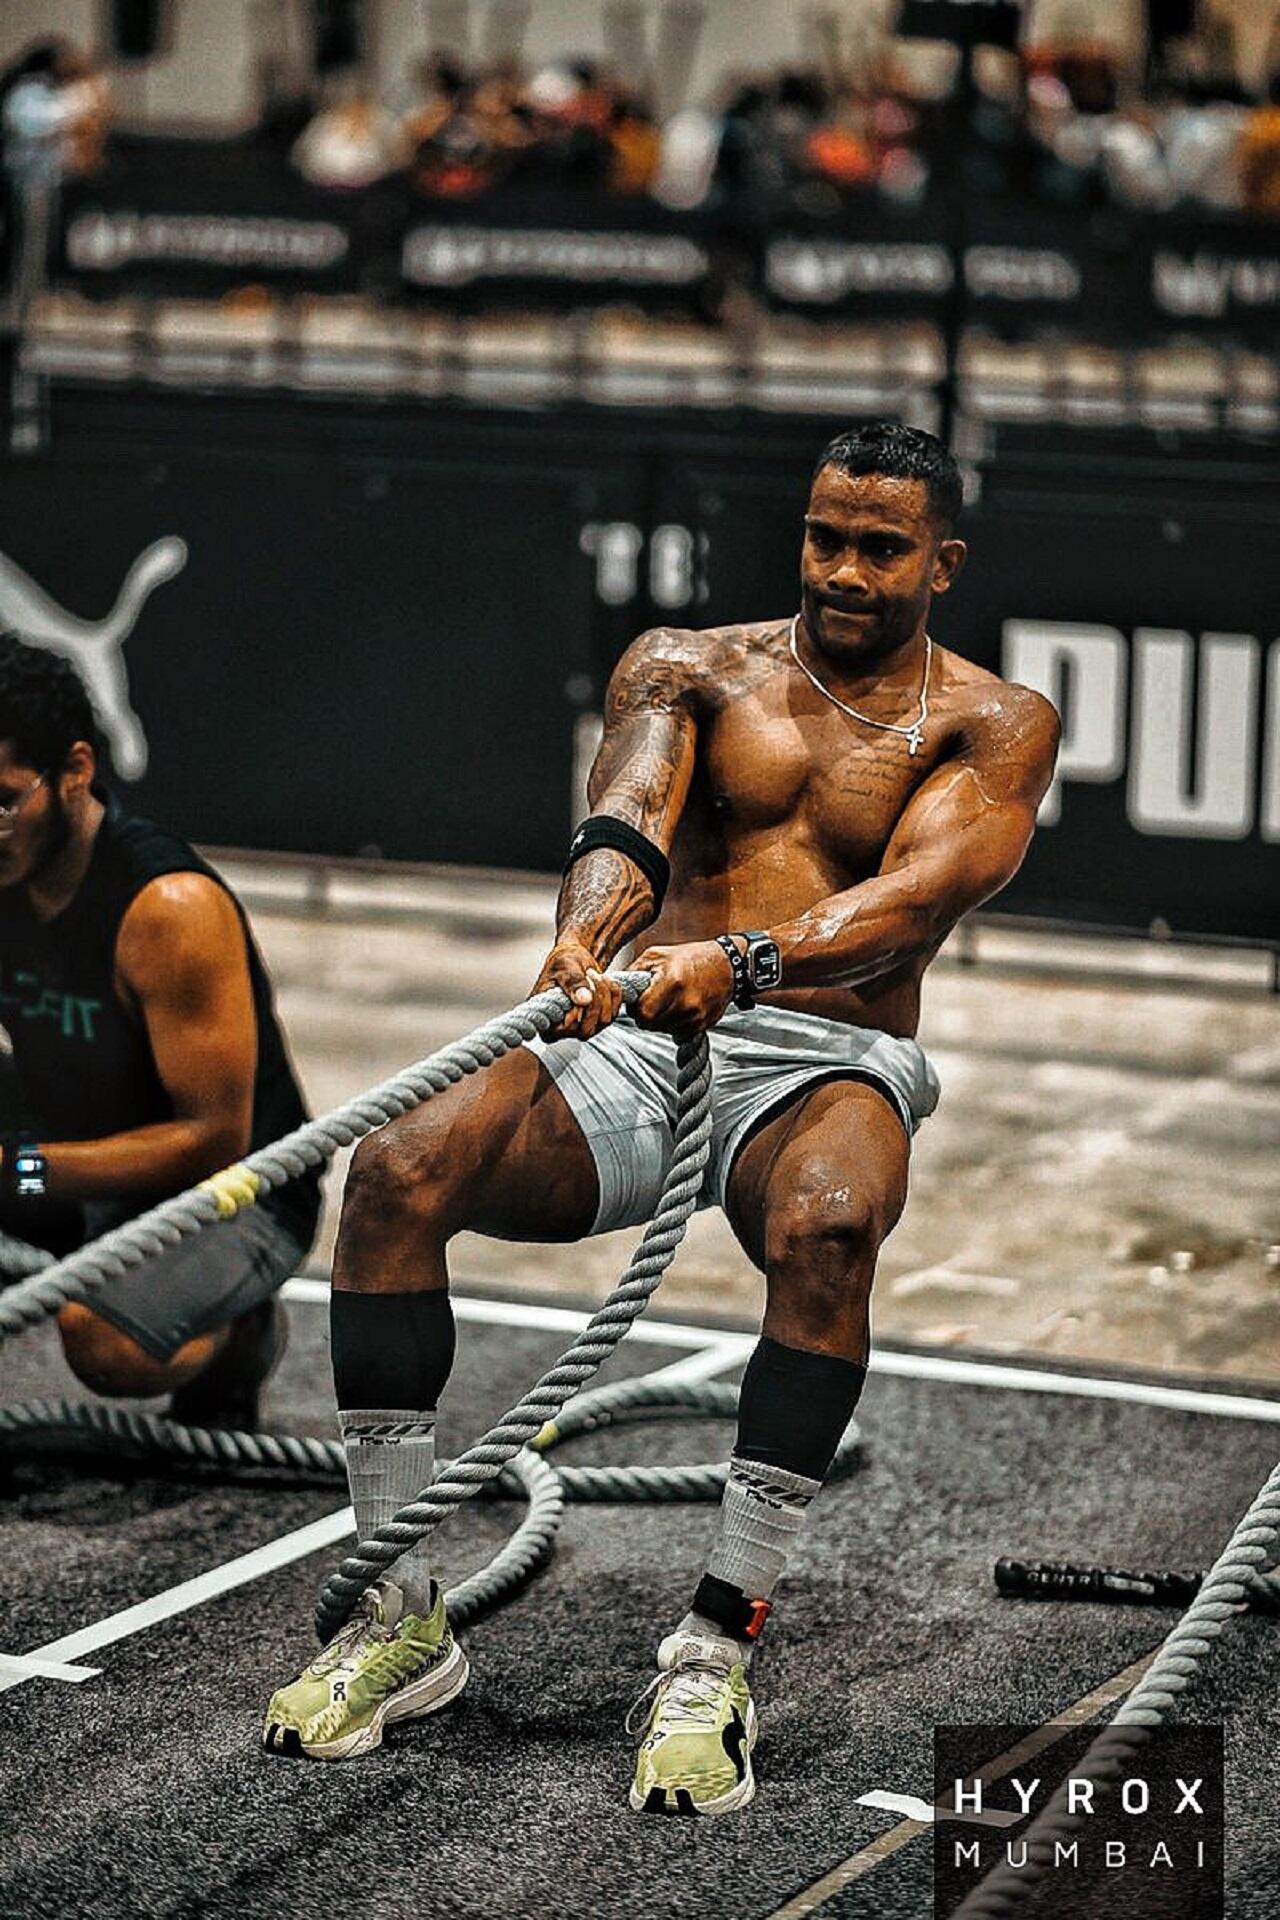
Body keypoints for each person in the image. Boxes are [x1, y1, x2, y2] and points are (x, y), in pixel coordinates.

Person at [263, 423, 1060, 1812]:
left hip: (824, 1052)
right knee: (396, 1169)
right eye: (823, 537)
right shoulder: (688, 663)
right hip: (640, 1026)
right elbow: (626, 823)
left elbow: (914, 901)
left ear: (942, 564)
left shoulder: (992, 722)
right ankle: (398, 1614)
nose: (842, 570)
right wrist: (585, 938)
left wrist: (743, 962)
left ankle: (715, 1649)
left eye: (880, 549)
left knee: (829, 1226)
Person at [0, 633, 320, 1427]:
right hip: (73, 1148)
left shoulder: (168, 910)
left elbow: (213, 1141)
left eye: (2, 801)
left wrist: (22, 1171)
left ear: (75, 770)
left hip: (232, 1192)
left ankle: (241, 1336)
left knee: (104, 1342)